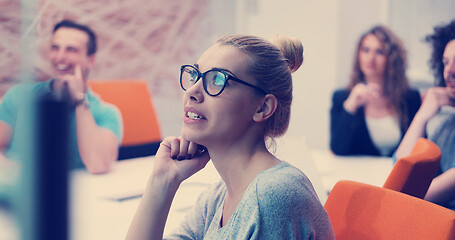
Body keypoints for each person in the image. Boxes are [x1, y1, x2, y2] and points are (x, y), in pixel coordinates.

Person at [126, 35, 334, 239]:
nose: (192, 91)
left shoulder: (272, 197)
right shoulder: (218, 198)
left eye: (217, 79)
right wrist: (162, 180)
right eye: (194, 76)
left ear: (262, 107)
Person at [0, 19, 123, 174]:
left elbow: (97, 165)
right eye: (55, 48)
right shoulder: (18, 96)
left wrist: (80, 99)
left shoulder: (107, 113)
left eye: (71, 49)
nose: (60, 57)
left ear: (90, 60)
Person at [330, 25, 421, 156]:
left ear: (392, 59)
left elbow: (419, 149)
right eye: (365, 50)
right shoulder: (341, 97)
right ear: (358, 55)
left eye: (379, 52)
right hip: (357, 174)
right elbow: (337, 150)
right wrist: (350, 106)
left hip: (398, 174)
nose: (370, 58)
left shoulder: (410, 98)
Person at [395, 20, 455, 209]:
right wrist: (422, 115)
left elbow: (409, 195)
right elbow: (400, 170)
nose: (449, 71)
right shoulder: (447, 123)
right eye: (445, 62)